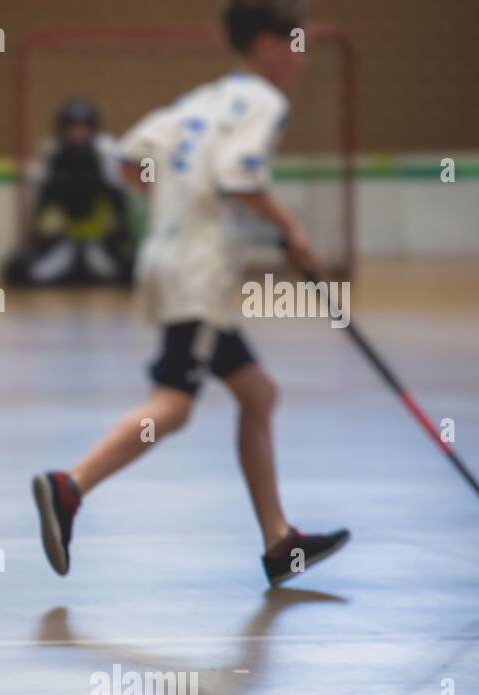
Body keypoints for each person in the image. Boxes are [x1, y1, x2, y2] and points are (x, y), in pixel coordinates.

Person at [31, 0, 349, 587]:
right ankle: (69, 487)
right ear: (266, 45)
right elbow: (238, 175)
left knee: (257, 392)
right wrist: (292, 229)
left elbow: (130, 161)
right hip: (198, 271)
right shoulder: (264, 102)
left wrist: (177, 202)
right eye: (296, 44)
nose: (301, 59)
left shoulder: (202, 100)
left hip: (166, 259)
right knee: (173, 404)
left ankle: (279, 541)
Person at [3, 98, 135, 287]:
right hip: (67, 238)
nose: (77, 134)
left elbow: (118, 199)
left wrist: (124, 236)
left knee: (130, 269)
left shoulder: (104, 153)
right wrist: (34, 235)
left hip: (100, 239)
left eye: (82, 128)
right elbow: (44, 199)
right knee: (16, 270)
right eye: (72, 128)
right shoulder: (53, 155)